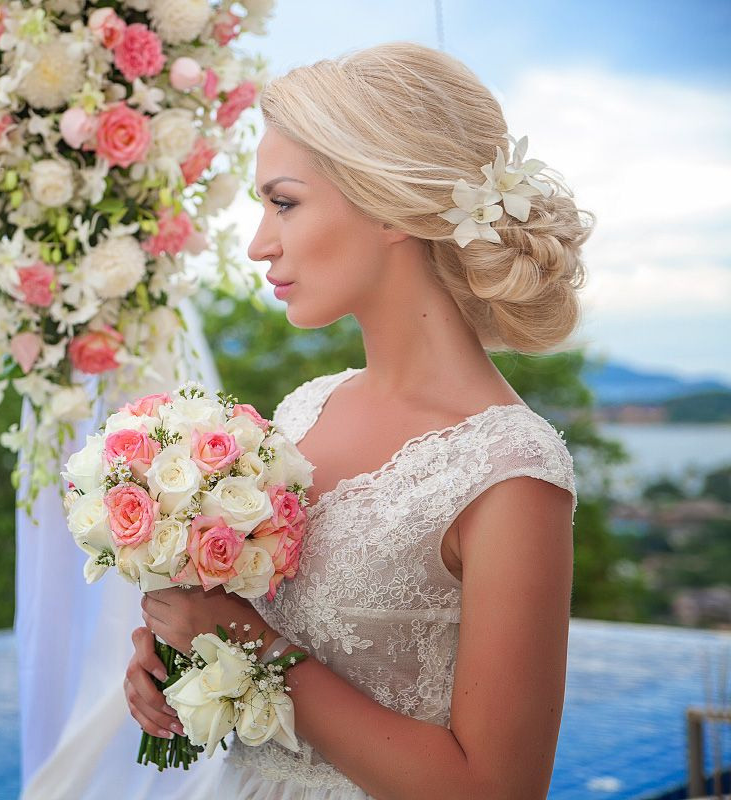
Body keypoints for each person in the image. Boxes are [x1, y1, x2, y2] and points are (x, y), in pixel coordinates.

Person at [126, 41, 591, 799]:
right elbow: (250, 641)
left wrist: (249, 645)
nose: (257, 243)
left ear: (389, 206)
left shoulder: (511, 471)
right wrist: (180, 658)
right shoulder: (305, 410)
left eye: (284, 202)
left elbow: (499, 791)